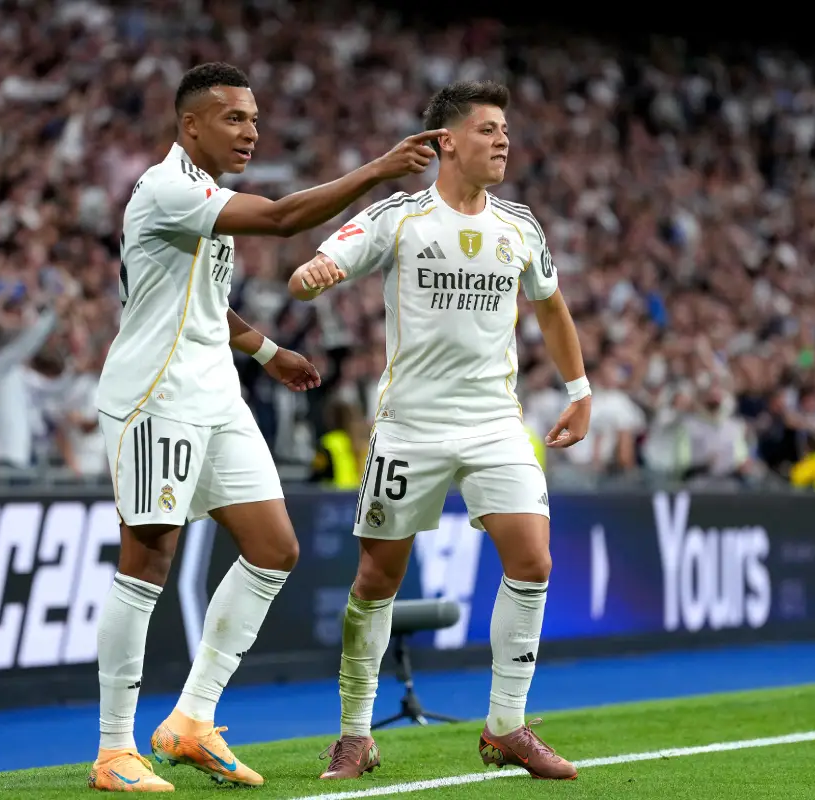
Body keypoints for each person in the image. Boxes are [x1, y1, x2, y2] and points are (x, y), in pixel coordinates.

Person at [91, 61, 444, 793]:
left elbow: (206, 305)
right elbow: (284, 220)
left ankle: (190, 720)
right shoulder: (165, 189)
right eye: (233, 119)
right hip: (157, 396)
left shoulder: (203, 197)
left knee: (273, 548)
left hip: (216, 395)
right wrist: (380, 168)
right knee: (148, 558)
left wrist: (269, 351)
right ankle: (113, 749)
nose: (251, 131)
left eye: (254, 118)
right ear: (190, 125)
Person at [288, 80, 591, 782]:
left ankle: (506, 727)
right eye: (488, 129)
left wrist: (579, 391)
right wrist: (314, 274)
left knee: (534, 561)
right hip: (410, 428)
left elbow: (551, 309)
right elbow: (318, 268)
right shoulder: (401, 216)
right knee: (376, 576)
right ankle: (356, 736)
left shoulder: (520, 226)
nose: (503, 140)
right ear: (446, 143)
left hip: (494, 424)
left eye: (505, 129)